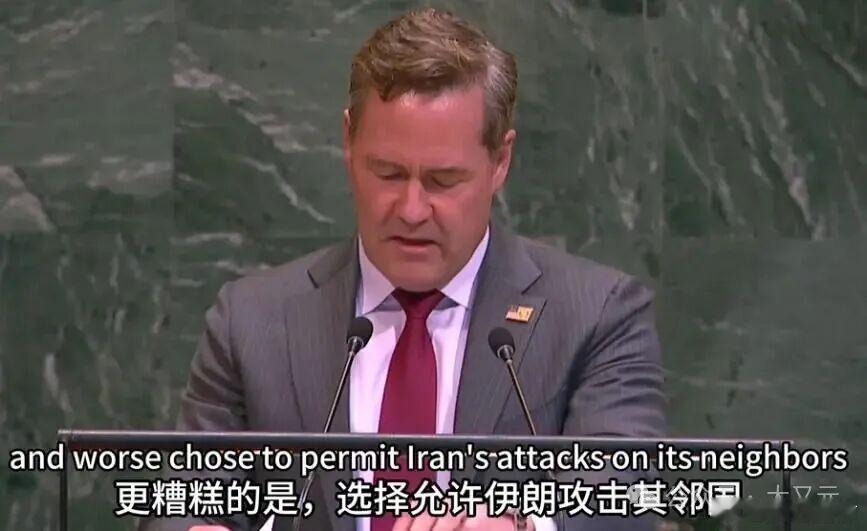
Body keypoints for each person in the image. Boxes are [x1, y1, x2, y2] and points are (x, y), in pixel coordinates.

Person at [141, 8, 665, 531]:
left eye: (443, 180)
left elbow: (627, 497)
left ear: (500, 161)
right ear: (348, 142)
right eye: (388, 173)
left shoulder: (595, 315)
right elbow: (176, 505)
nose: (412, 210)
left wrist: (523, 527)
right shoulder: (253, 322)